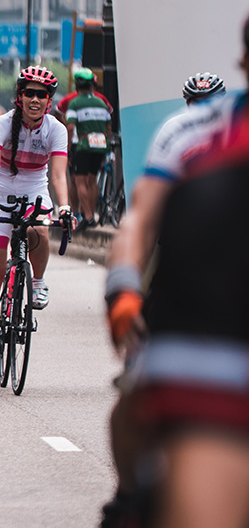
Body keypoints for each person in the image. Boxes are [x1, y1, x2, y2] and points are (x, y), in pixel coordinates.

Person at [101, 70, 231, 527]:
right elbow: (141, 216)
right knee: (134, 403)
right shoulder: (186, 131)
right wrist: (122, 288)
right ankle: (129, 502)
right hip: (197, 287)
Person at [0, 66, 72, 372]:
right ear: (20, 96)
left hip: (34, 188)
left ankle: (37, 281)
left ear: (49, 100)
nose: (35, 99)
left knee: (40, 232)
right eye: (29, 93)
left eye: (41, 94)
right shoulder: (1, 125)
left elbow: (58, 174)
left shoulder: (56, 129)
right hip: (2, 189)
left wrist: (65, 207)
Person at [54, 68, 113, 218]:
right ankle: (91, 213)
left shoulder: (73, 102)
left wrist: (66, 148)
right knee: (92, 181)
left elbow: (69, 125)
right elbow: (109, 124)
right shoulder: (102, 101)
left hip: (82, 144)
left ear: (76, 84)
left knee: (78, 181)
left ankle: (86, 216)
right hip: (100, 145)